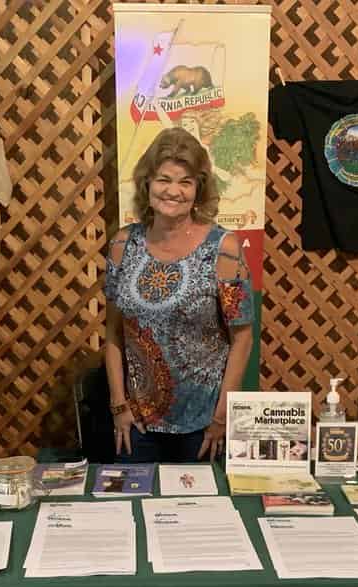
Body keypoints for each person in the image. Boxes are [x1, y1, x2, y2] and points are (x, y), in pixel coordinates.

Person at [103, 127, 254, 463]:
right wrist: (118, 406)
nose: (173, 191)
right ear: (147, 183)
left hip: (202, 427)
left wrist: (221, 418)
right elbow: (113, 331)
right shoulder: (122, 245)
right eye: (163, 179)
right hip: (136, 425)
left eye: (185, 182)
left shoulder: (224, 249)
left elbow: (242, 337)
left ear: (199, 189)